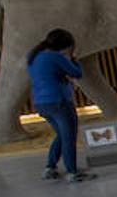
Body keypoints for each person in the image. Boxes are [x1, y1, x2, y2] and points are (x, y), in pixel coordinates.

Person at [26, 28, 95, 183]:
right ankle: (72, 172)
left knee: (62, 135)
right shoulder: (56, 57)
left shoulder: (33, 56)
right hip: (59, 101)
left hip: (41, 103)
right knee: (69, 136)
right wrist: (73, 59)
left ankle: (50, 167)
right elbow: (77, 73)